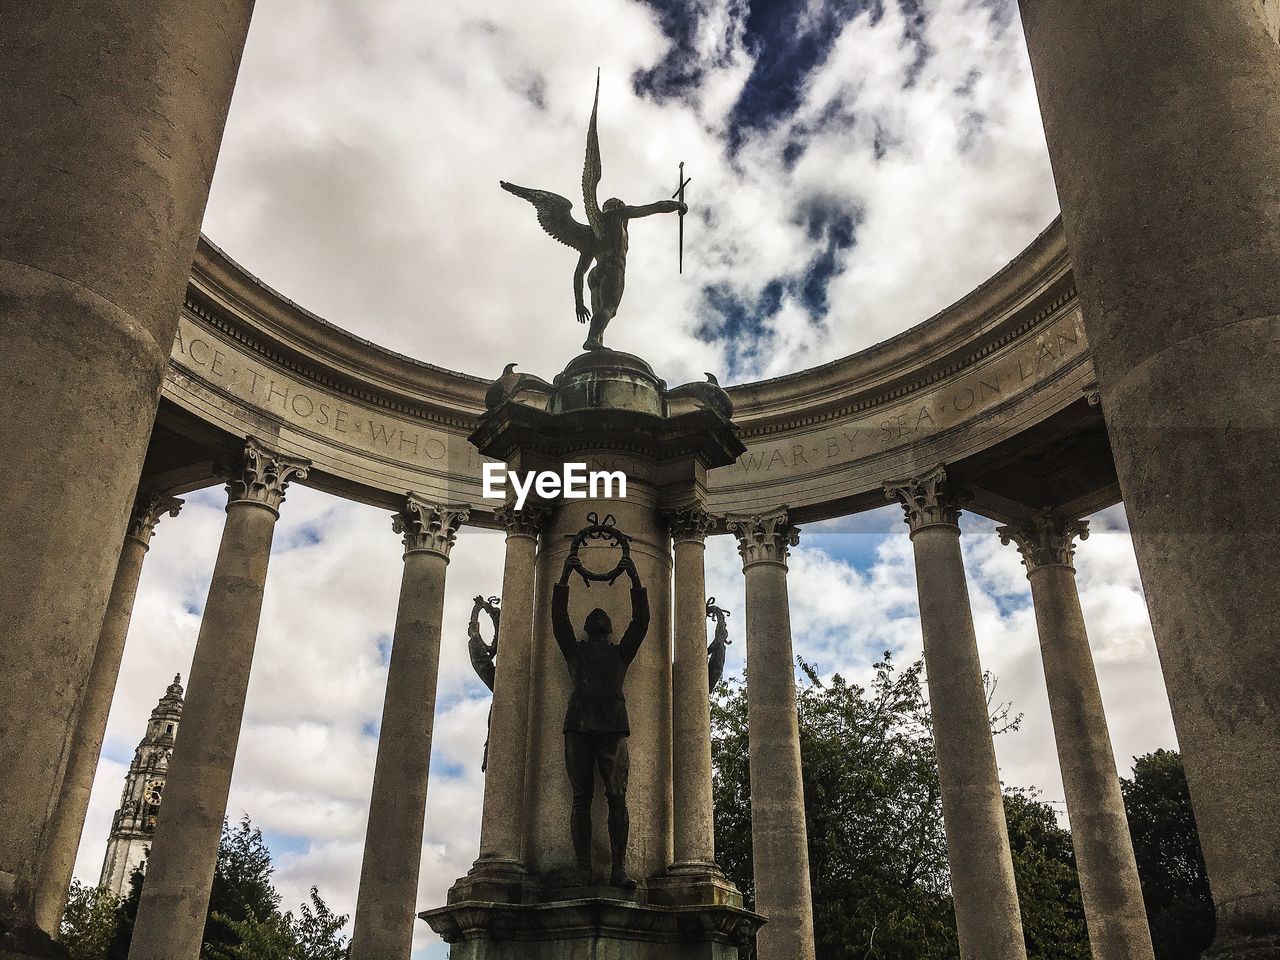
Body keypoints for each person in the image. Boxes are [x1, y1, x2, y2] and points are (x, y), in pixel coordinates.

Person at [551, 552, 650, 888]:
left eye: (601, 617)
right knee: (582, 798)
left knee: (615, 797)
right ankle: (584, 869)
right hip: (579, 727)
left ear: (607, 628)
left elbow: (641, 621)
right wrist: (564, 575)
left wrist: (635, 579)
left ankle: (618, 869)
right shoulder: (575, 651)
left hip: (610, 729)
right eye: (594, 617)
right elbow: (558, 618)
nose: (598, 618)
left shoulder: (620, 652)